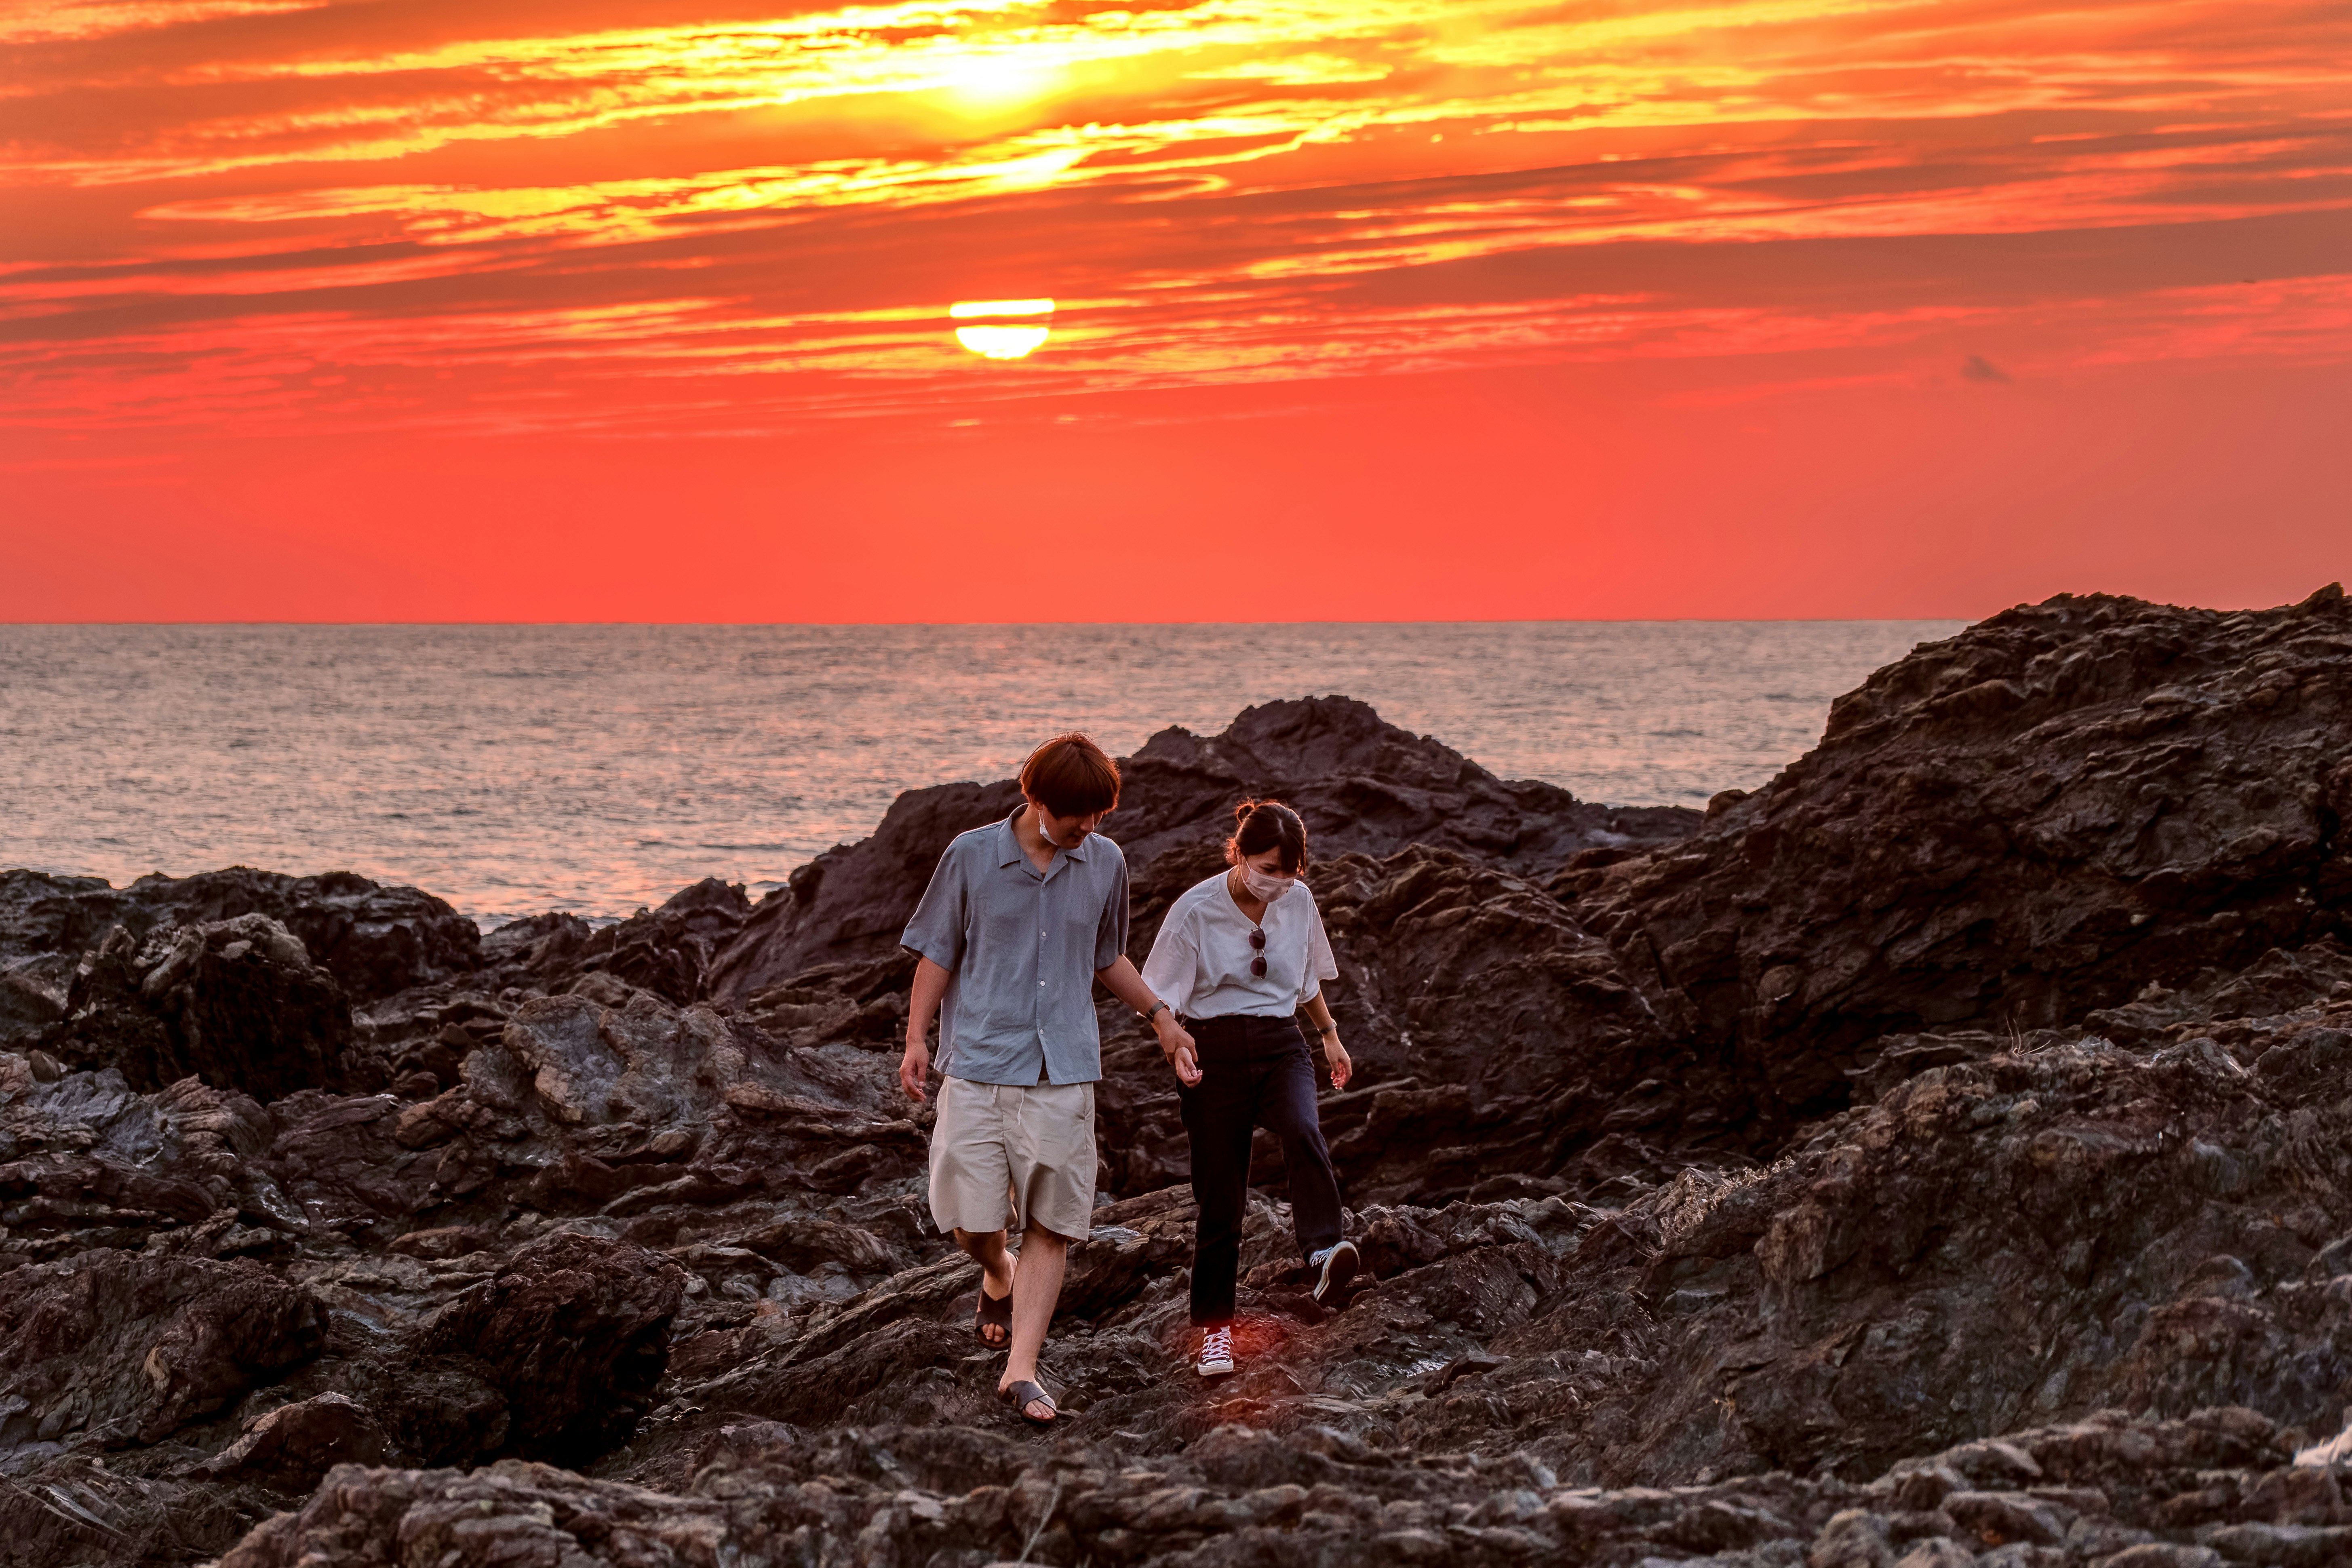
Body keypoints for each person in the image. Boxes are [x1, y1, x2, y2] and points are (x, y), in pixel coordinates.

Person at [899, 732, 1192, 1426]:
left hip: (1063, 1068)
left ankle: (1022, 1370)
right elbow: (938, 954)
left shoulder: (1106, 862)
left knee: (1051, 1224)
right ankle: (995, 1271)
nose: (1087, 830)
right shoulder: (971, 855)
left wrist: (1161, 1017)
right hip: (976, 1061)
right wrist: (916, 1037)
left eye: (1099, 817)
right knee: (969, 1219)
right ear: (1035, 800)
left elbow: (1107, 955)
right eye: (1074, 818)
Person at [1140, 798, 1359, 1379]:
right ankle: (1214, 1333)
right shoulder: (1195, 911)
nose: (1278, 882)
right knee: (1222, 1201)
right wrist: (1177, 1048)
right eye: (1267, 868)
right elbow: (1158, 998)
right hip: (1213, 1051)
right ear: (1237, 854)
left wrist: (1330, 1036)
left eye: (1290, 872)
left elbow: (1305, 980)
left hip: (1281, 1042)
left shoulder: (1299, 900)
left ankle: (1321, 1249)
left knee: (1303, 1127)